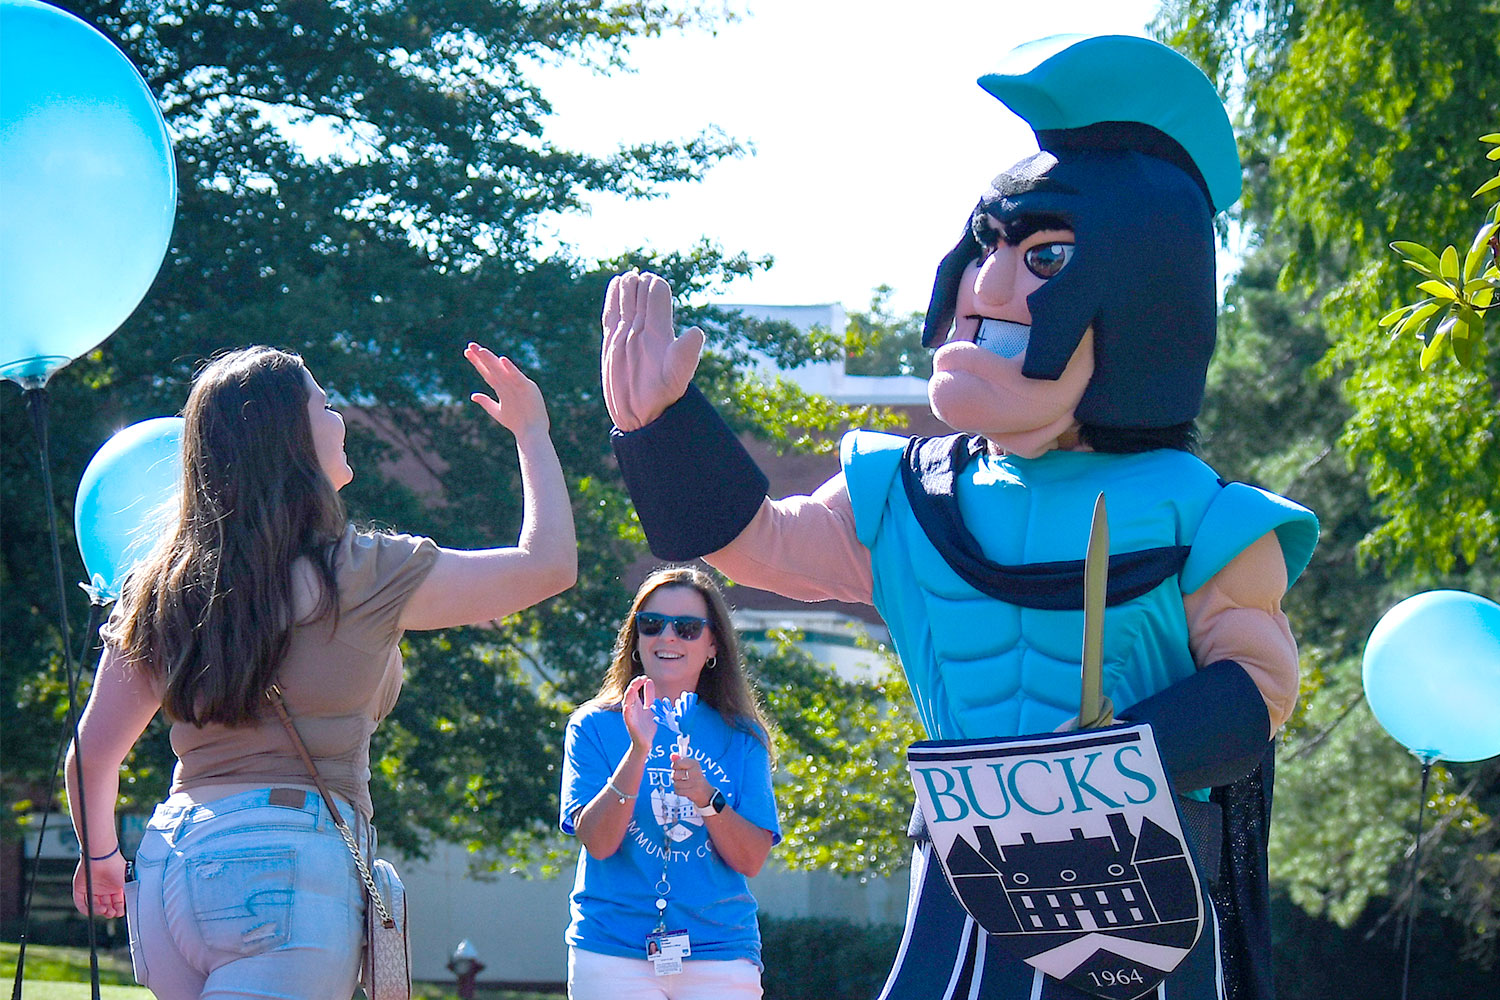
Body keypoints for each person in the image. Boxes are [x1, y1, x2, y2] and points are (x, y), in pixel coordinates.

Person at [599, 35, 1318, 1000]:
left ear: (1144, 297)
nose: (990, 285)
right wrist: (660, 430)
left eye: (1047, 256)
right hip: (962, 895)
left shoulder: (1204, 515)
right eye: (989, 247)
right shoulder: (906, 491)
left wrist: (1099, 770)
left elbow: (1257, 692)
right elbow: (754, 542)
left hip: (1143, 904)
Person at [65, 342, 577, 999]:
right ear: (292, 440)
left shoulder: (165, 584)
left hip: (172, 867)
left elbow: (90, 756)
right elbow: (549, 565)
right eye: (326, 405)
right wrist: (532, 431)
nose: (341, 419)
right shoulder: (368, 572)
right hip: (287, 872)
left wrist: (101, 860)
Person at [560, 566, 780, 1000]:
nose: (668, 638)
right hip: (612, 952)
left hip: (720, 954)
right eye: (652, 624)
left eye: (687, 628)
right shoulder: (592, 726)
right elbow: (599, 843)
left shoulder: (741, 736)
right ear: (635, 639)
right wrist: (638, 750)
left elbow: (751, 859)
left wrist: (707, 799)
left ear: (713, 643)